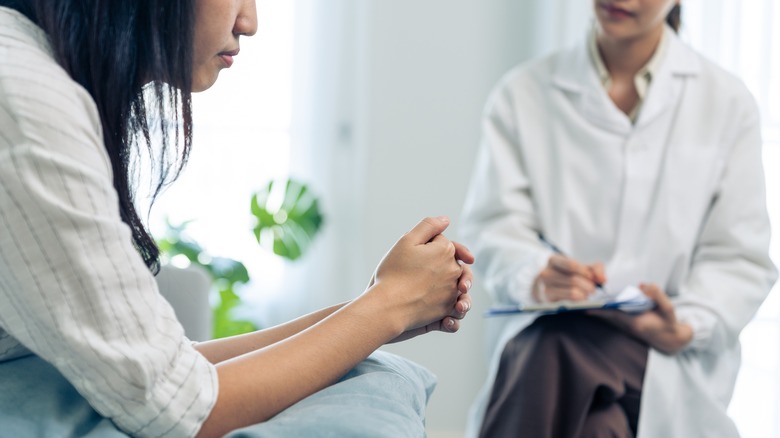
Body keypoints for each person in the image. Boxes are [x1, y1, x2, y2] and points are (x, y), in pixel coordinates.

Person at [0, 1, 475, 437]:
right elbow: (181, 408)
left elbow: (163, 372)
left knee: (372, 372)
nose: (249, 22)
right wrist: (388, 306)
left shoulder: (39, 76)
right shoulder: (25, 102)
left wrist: (379, 307)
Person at [460, 0, 776, 437]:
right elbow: (494, 228)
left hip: (663, 354)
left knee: (552, 347)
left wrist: (686, 323)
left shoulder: (726, 103)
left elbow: (739, 257)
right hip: (556, 326)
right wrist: (538, 275)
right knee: (597, 426)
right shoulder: (522, 94)